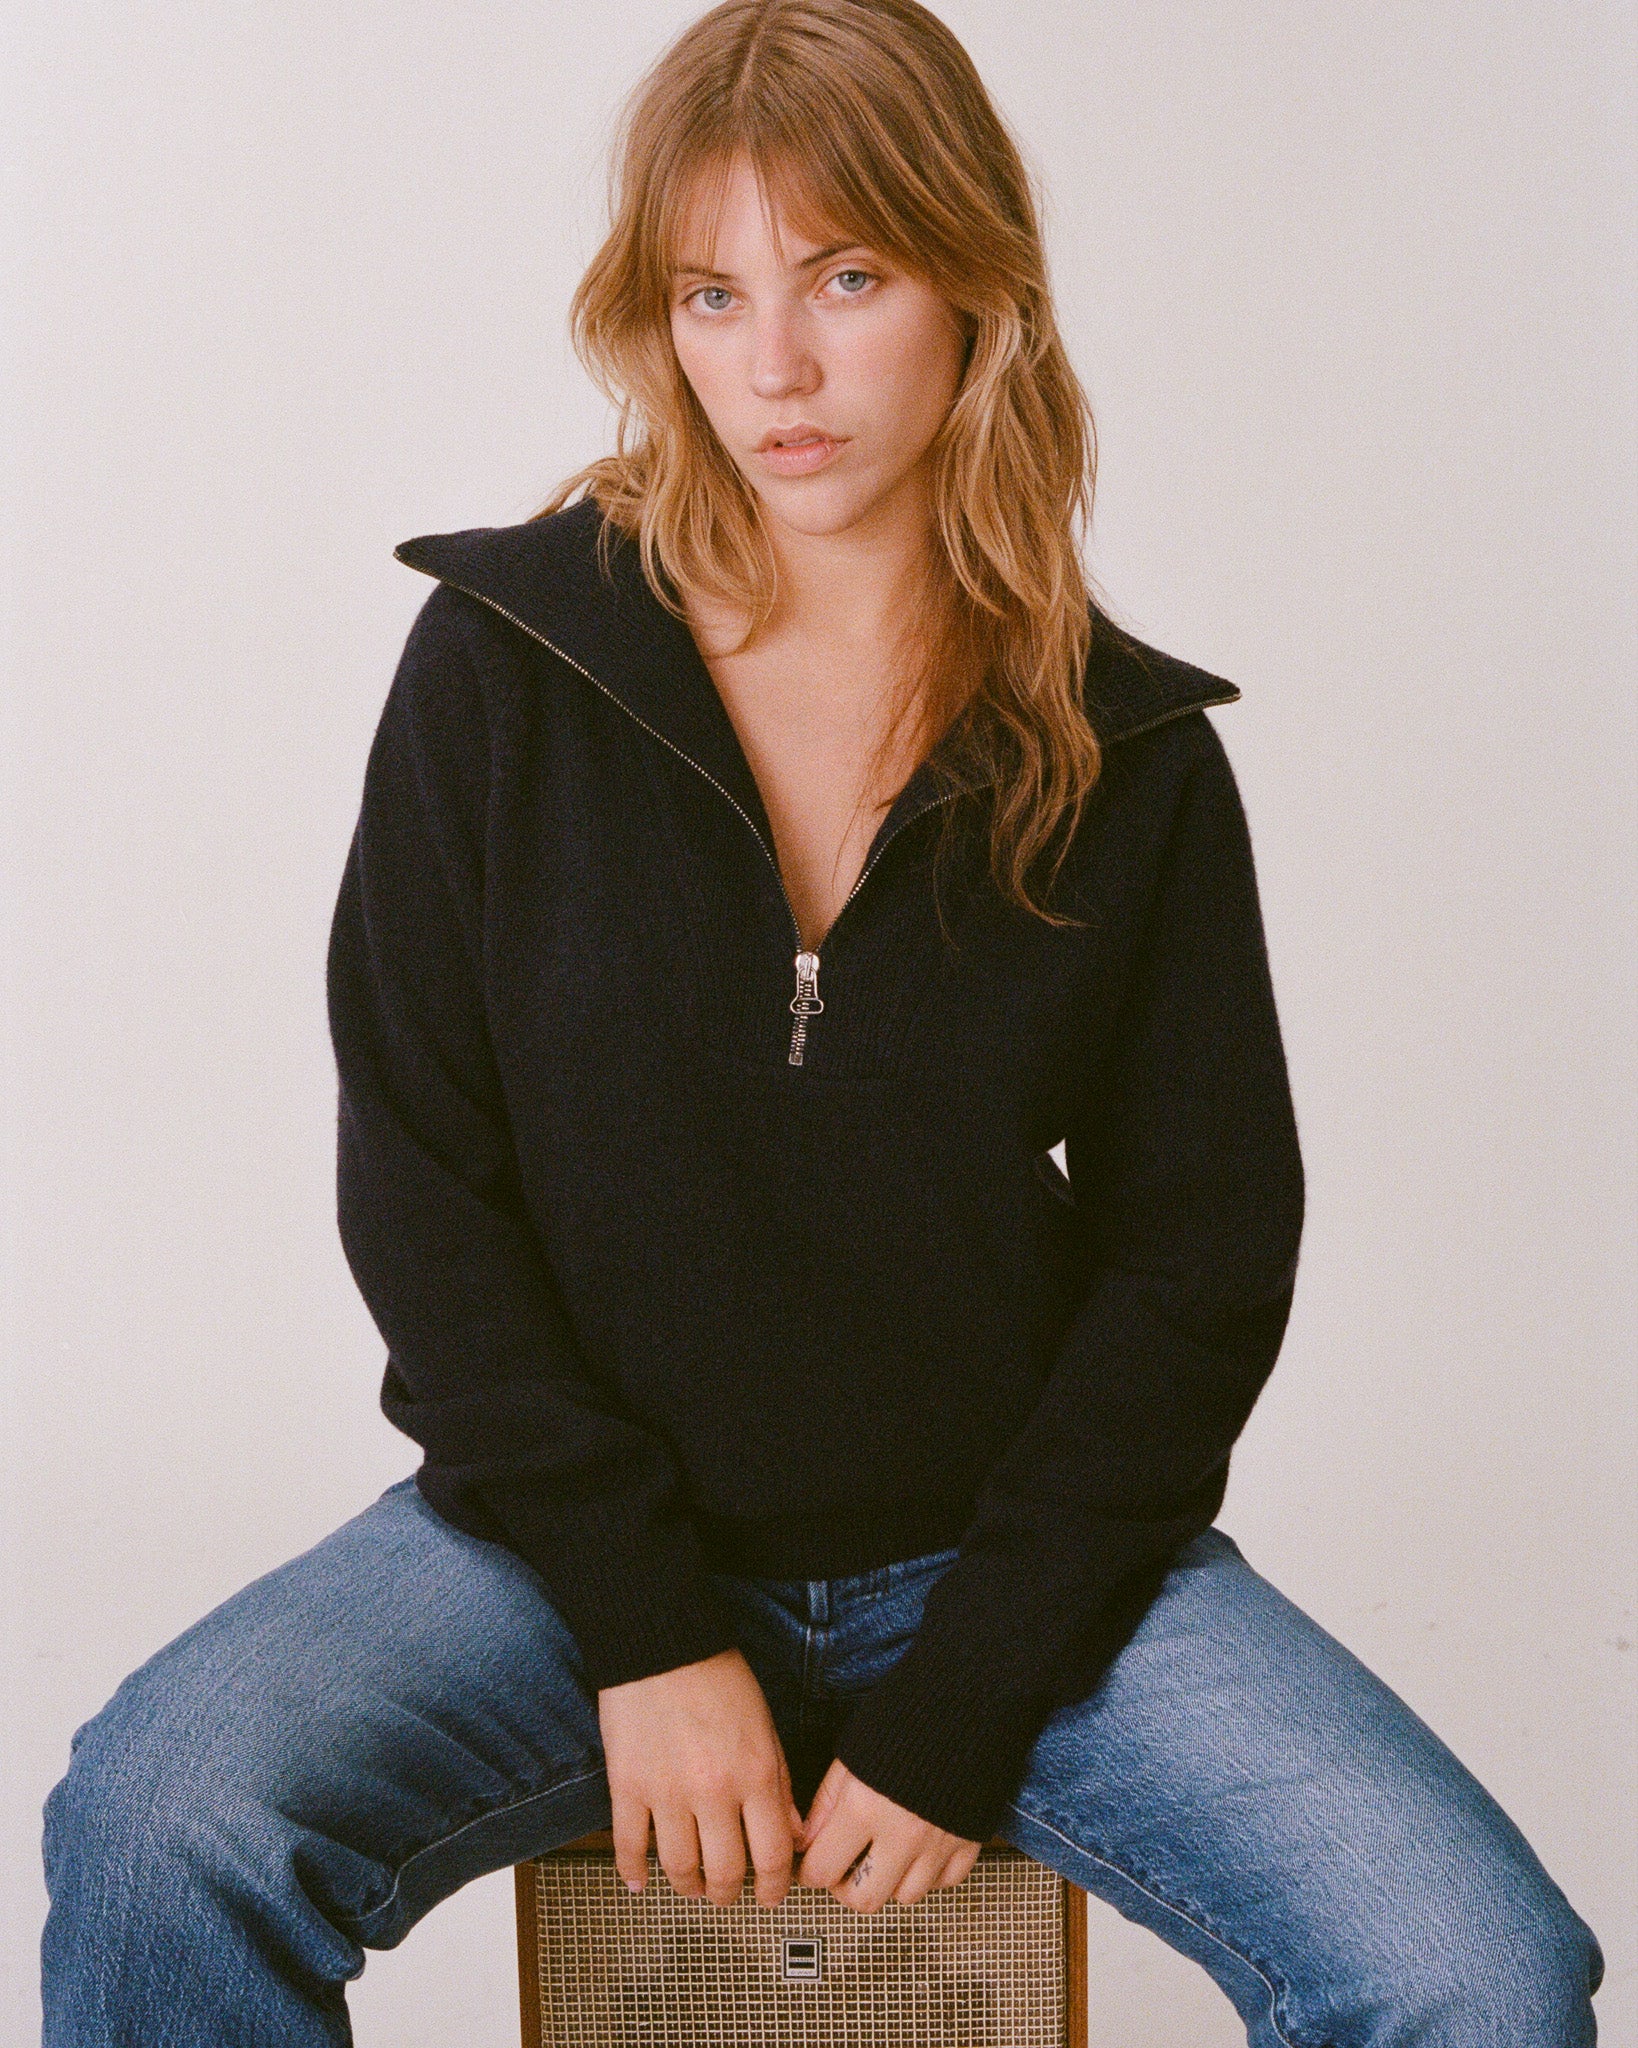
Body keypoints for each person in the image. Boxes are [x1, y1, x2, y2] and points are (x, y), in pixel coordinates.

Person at [41, 3, 1604, 2043]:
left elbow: (1200, 1257)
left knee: (1475, 1969)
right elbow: (420, 1170)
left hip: (1005, 1569)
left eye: (844, 279)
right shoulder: (511, 666)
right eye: (714, 294)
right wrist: (642, 1626)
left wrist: (972, 1691)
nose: (773, 366)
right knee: (160, 1816)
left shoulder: (1124, 755)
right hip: (549, 1560)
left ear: (975, 289)